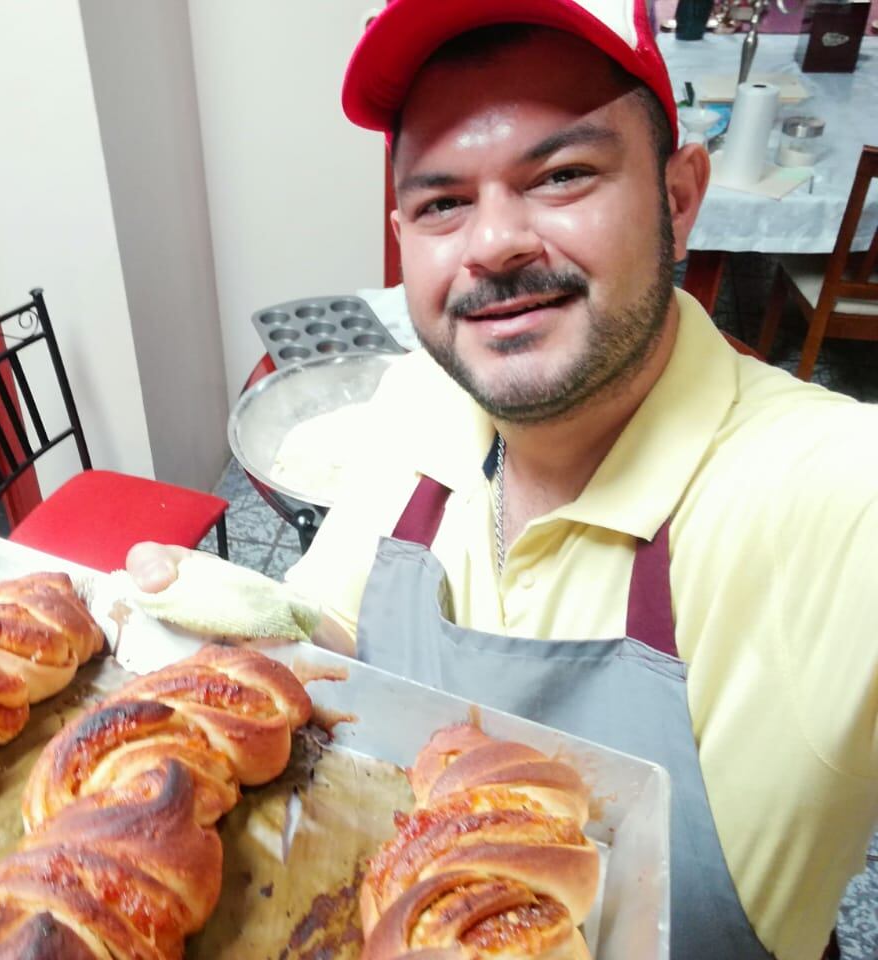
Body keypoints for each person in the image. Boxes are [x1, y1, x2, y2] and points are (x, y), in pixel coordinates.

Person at [127, 1, 878, 957]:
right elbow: (342, 645)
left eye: (562, 175)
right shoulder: (418, 400)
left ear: (680, 196)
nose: (492, 245)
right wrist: (247, 621)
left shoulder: (833, 498)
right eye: (442, 202)